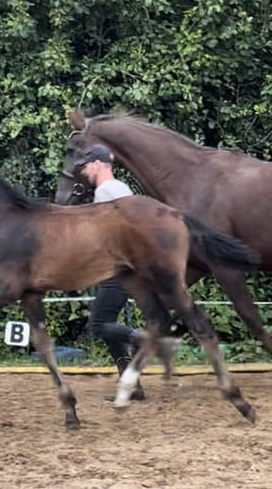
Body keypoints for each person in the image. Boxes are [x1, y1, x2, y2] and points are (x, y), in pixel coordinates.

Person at [73, 143, 179, 401]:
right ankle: (133, 386)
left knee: (98, 325)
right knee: (107, 325)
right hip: (124, 268)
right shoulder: (118, 189)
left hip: (119, 269)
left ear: (97, 164)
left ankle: (143, 339)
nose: (84, 172)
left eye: (86, 166)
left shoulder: (108, 191)